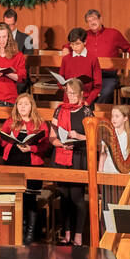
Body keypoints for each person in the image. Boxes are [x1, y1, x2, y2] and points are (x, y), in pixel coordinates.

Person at [0, 93, 49, 243]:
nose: (22, 107)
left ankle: (29, 232)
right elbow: (2, 140)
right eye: (20, 104)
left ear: (31, 106)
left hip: (31, 161)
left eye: (26, 104)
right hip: (13, 161)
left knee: (29, 199)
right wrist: (9, 141)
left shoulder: (39, 123)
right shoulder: (11, 121)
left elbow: (45, 144)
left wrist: (31, 148)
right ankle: (17, 231)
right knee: (14, 198)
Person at [50, 79, 91, 246]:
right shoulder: (59, 110)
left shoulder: (87, 112)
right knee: (64, 196)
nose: (71, 96)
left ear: (81, 94)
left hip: (77, 157)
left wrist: (78, 136)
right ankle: (66, 233)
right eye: (69, 93)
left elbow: (92, 138)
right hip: (60, 155)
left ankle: (79, 234)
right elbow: (52, 135)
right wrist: (58, 143)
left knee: (76, 197)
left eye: (74, 93)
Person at [82, 9, 130, 105]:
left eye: (94, 19)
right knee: (79, 89)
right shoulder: (84, 35)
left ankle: (95, 113)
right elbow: (71, 45)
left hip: (108, 75)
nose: (92, 22)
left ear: (100, 19)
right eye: (89, 21)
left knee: (105, 92)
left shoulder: (113, 33)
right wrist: (65, 49)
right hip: (90, 74)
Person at [56, 28, 101, 106]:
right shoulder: (66, 59)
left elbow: (97, 85)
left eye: (77, 44)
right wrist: (63, 87)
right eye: (72, 44)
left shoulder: (92, 59)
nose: (74, 47)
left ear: (85, 42)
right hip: (68, 101)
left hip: (85, 101)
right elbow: (60, 81)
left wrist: (87, 101)